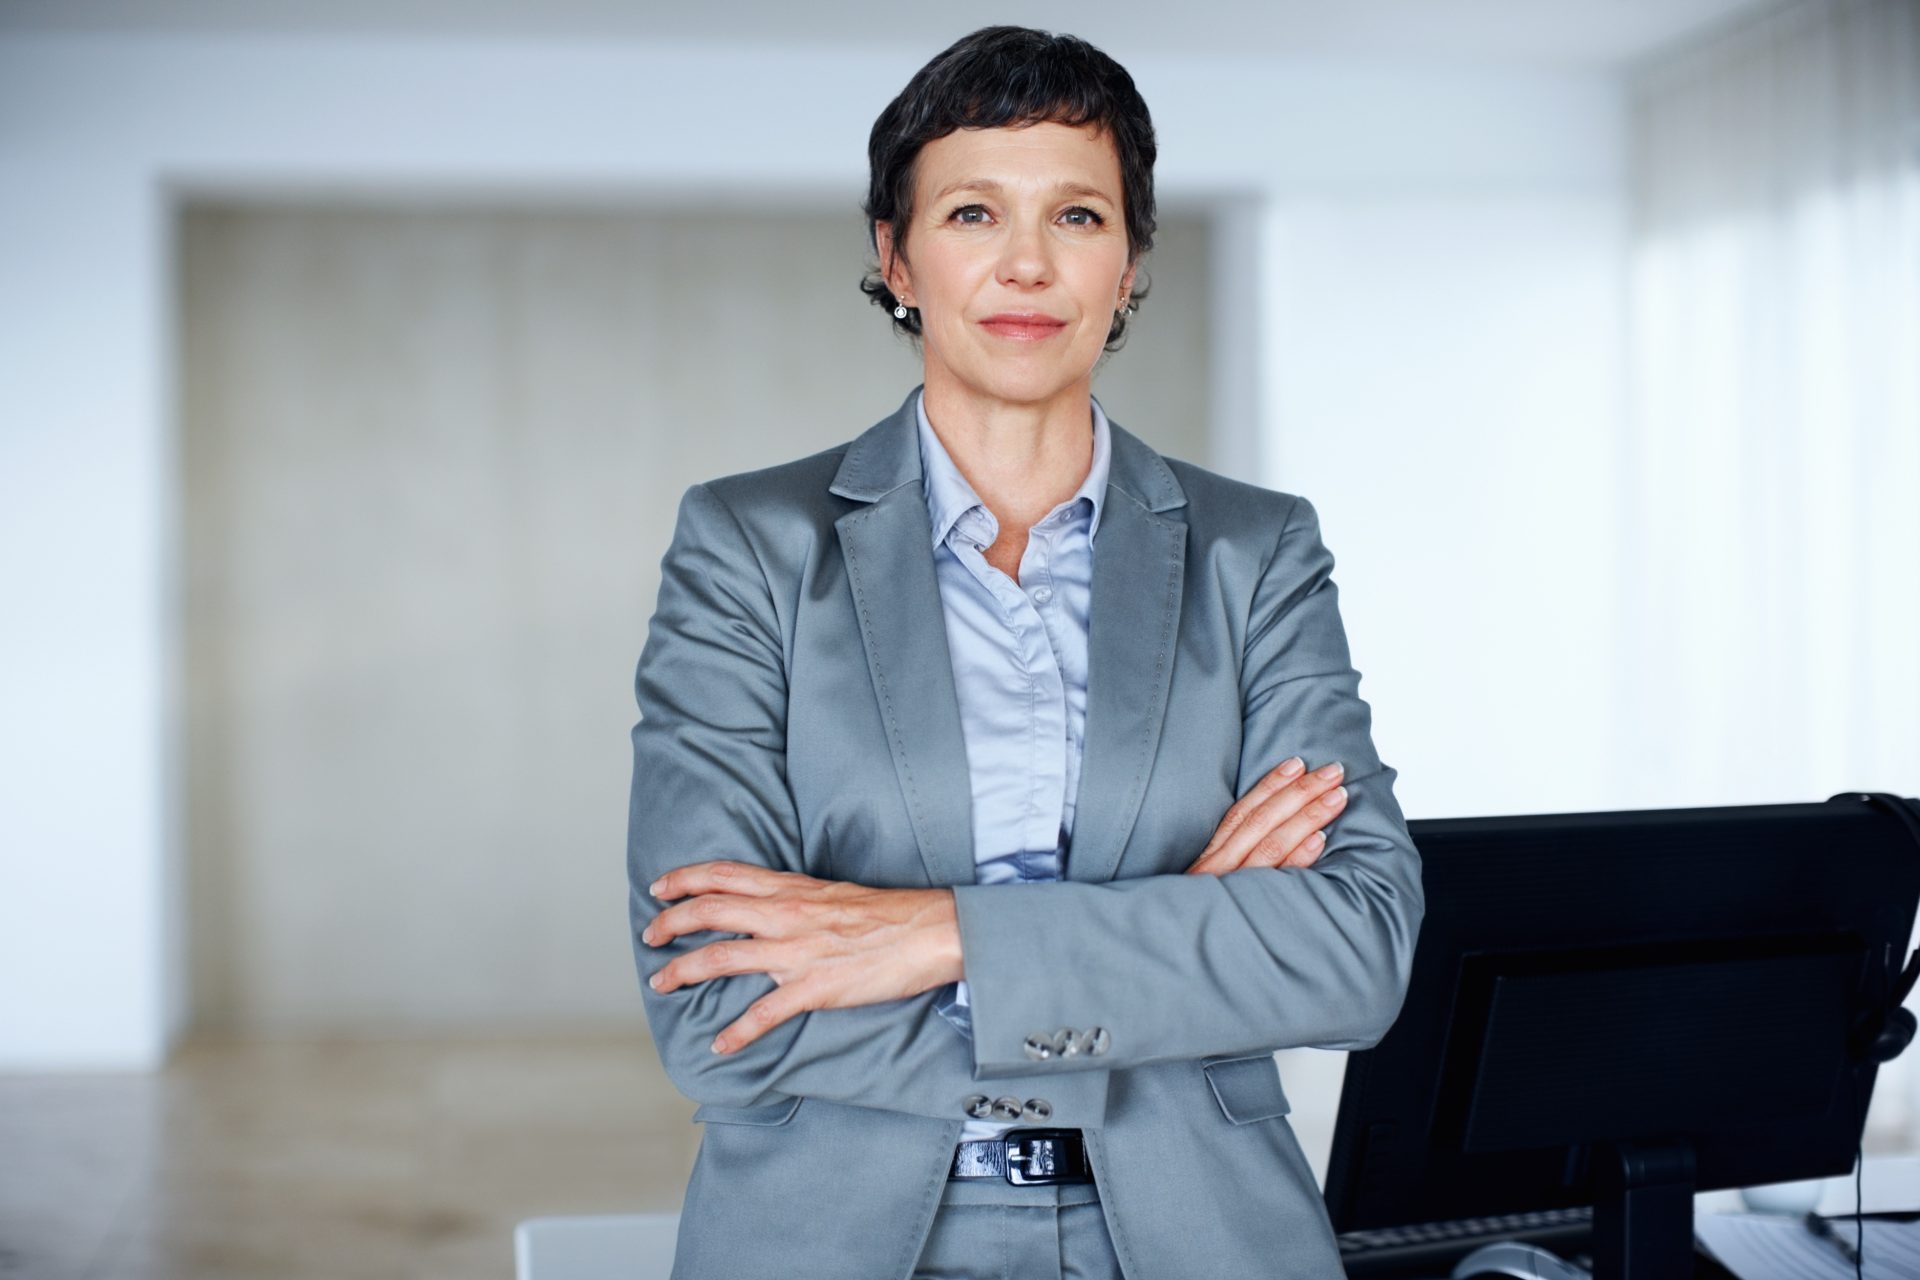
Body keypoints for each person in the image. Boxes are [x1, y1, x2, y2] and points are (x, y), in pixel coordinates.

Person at [626, 25, 1424, 1280]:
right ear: (897, 256)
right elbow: (717, 1004)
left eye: (1080, 215)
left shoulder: (1252, 551)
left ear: (1131, 259)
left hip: (1201, 1233)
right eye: (972, 211)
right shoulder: (749, 549)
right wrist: (1177, 950)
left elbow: (1356, 944)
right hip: (829, 1236)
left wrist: (936, 935)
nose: (1027, 264)